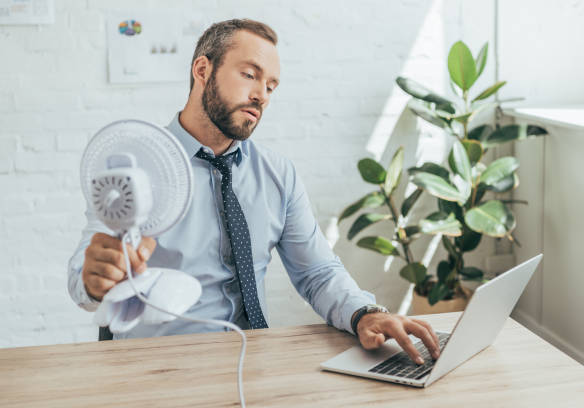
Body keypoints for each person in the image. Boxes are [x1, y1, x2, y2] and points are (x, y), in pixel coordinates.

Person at [68, 19, 440, 365]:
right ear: (202, 70)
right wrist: (93, 278)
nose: (261, 95)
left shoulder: (277, 174)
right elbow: (84, 275)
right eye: (250, 75)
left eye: (271, 86)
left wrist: (365, 313)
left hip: (254, 361)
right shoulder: (136, 166)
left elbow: (318, 272)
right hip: (160, 366)